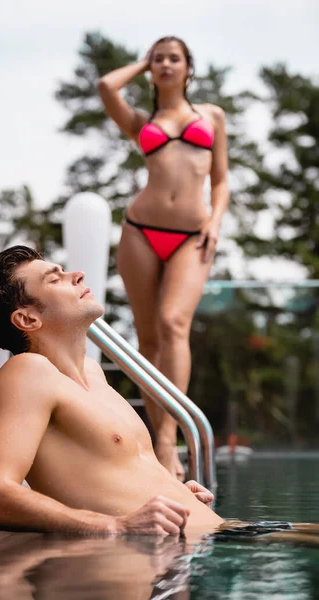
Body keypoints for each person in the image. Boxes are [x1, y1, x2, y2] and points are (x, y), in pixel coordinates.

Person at [0, 245, 223, 543]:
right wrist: (115, 526)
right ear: (28, 319)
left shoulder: (93, 374)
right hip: (150, 559)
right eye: (55, 279)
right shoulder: (27, 372)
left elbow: (113, 478)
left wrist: (176, 493)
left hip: (208, 540)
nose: (77, 275)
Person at [98, 36, 229, 479]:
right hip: (140, 232)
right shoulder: (142, 121)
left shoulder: (211, 116)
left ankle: (170, 437)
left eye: (174, 58)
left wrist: (215, 220)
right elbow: (104, 86)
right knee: (147, 339)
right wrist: (142, 64)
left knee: (175, 324)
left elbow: (222, 180)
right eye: (159, 59)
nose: (166, 65)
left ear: (189, 67)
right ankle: (162, 444)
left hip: (193, 235)